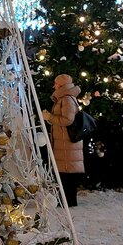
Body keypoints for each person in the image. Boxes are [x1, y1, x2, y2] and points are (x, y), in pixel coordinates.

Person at [42, 73, 84, 207]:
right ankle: (67, 200)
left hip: (66, 143)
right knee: (66, 172)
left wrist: (49, 117)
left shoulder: (66, 99)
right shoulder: (65, 98)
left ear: (61, 85)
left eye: (56, 83)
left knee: (67, 172)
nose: (54, 86)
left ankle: (68, 201)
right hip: (64, 142)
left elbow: (67, 120)